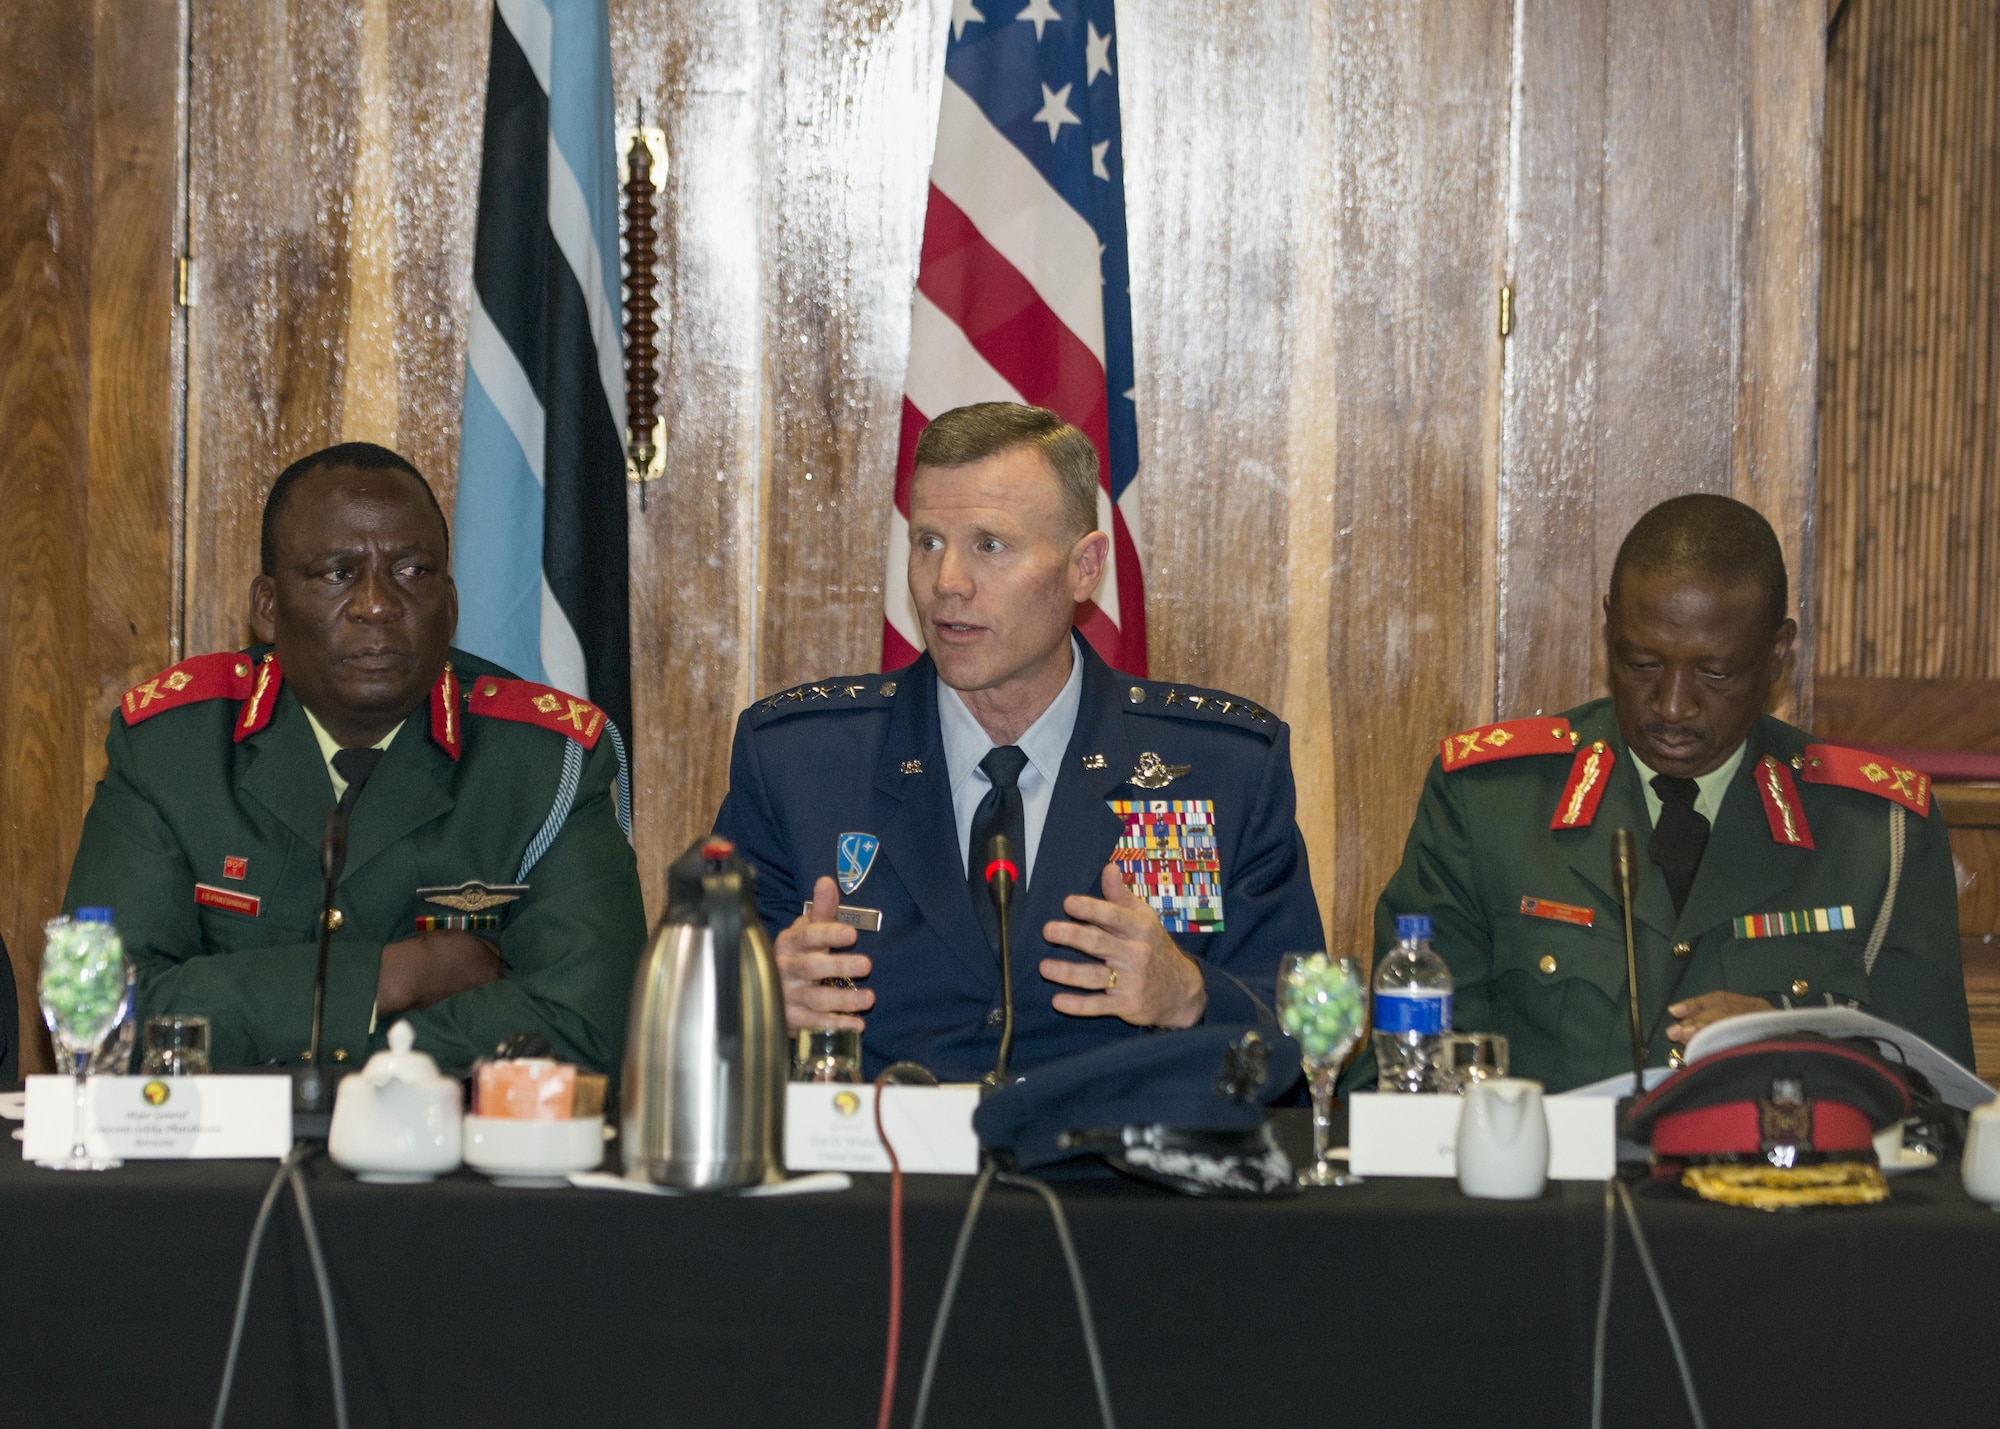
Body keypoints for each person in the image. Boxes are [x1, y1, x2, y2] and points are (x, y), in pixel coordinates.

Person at [712, 402, 1325, 1081]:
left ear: (1084, 567)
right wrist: (755, 999)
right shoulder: (799, 763)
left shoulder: (1223, 770)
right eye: (928, 543)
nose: (948, 583)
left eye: (989, 545)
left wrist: (1194, 998)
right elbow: (690, 1026)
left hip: (1117, 1178)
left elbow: (1306, 1044)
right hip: (884, 1178)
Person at [62, 443, 645, 1076]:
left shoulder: (546, 762)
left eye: (412, 571)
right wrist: (388, 979)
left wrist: (306, 1049)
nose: (377, 603)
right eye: (338, 572)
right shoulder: (173, 749)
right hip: (218, 1168)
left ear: (449, 607)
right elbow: (97, 1016)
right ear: (267, 607)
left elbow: (588, 1027)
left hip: (453, 1165)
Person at [1375, 494, 1973, 1093]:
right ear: (1610, 630)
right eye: (1642, 664)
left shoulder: (1877, 831)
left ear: (1776, 655)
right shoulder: (1491, 803)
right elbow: (1405, 1071)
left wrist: (1802, 1049)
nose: (1672, 706)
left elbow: (1937, 1102)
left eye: (1715, 674)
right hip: (1554, 1181)